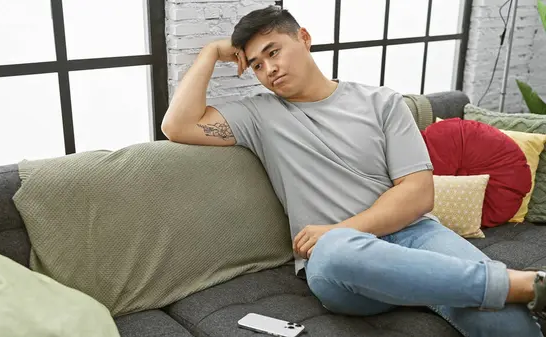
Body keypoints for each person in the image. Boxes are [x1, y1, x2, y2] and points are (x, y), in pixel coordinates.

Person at [161, 5, 546, 336]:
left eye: (274, 51)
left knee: (502, 311)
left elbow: (417, 193)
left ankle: (521, 286)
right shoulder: (259, 114)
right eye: (257, 64)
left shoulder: (382, 103)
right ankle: (516, 281)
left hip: (414, 236)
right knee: (332, 252)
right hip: (342, 262)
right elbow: (176, 126)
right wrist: (211, 53)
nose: (269, 70)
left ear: (304, 38)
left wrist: (341, 228)